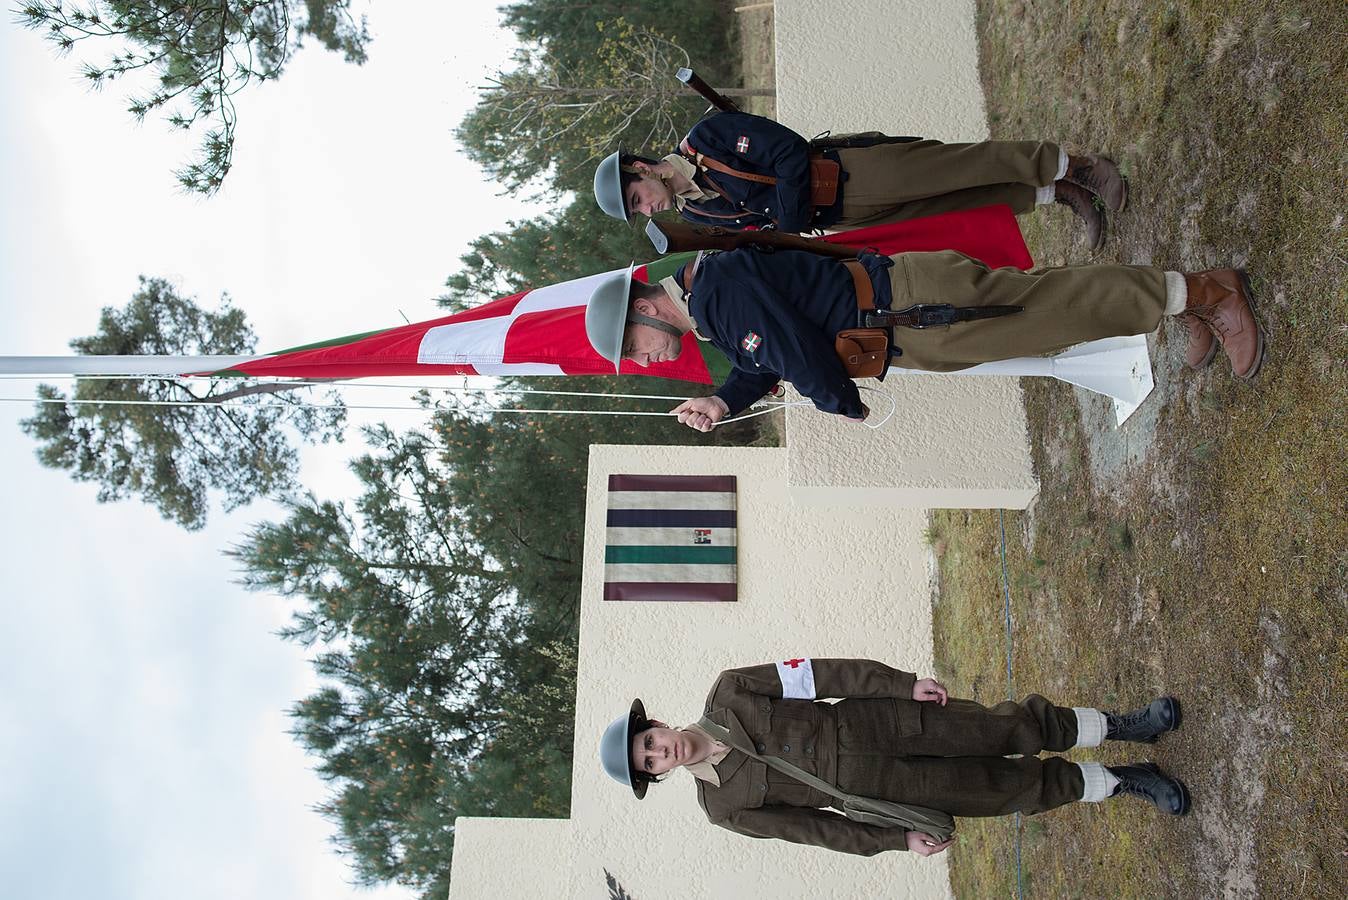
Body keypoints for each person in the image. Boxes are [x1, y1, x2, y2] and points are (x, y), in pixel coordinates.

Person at [583, 248, 1264, 431]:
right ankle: (1182, 301)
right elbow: (761, 364)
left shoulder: (718, 292)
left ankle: (1208, 293)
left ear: (646, 304)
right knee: (1053, 306)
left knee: (1055, 310)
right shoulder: (712, 310)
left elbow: (792, 351)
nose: (642, 359)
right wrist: (724, 404)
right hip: (906, 326)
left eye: (633, 344)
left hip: (909, 307)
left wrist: (840, 404)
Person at [599, 657, 1188, 856]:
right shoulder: (723, 809)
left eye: (648, 742)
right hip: (891, 795)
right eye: (650, 764)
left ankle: (1124, 725)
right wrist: (894, 840)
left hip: (889, 722)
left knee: (1009, 728)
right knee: (1010, 791)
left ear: (655, 726)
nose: (659, 754)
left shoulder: (731, 689)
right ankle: (1121, 780)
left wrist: (899, 684)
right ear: (660, 774)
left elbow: (822, 674)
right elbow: (815, 832)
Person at [593, 110, 1127, 249]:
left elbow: (787, 151)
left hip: (849, 174)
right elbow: (759, 229)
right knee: (959, 208)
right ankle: (1062, 194)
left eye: (637, 198)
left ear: (640, 168)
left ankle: (1080, 166)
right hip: (843, 217)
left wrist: (790, 217)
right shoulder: (695, 213)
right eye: (638, 210)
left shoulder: (707, 139)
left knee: (965, 166)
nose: (647, 209)